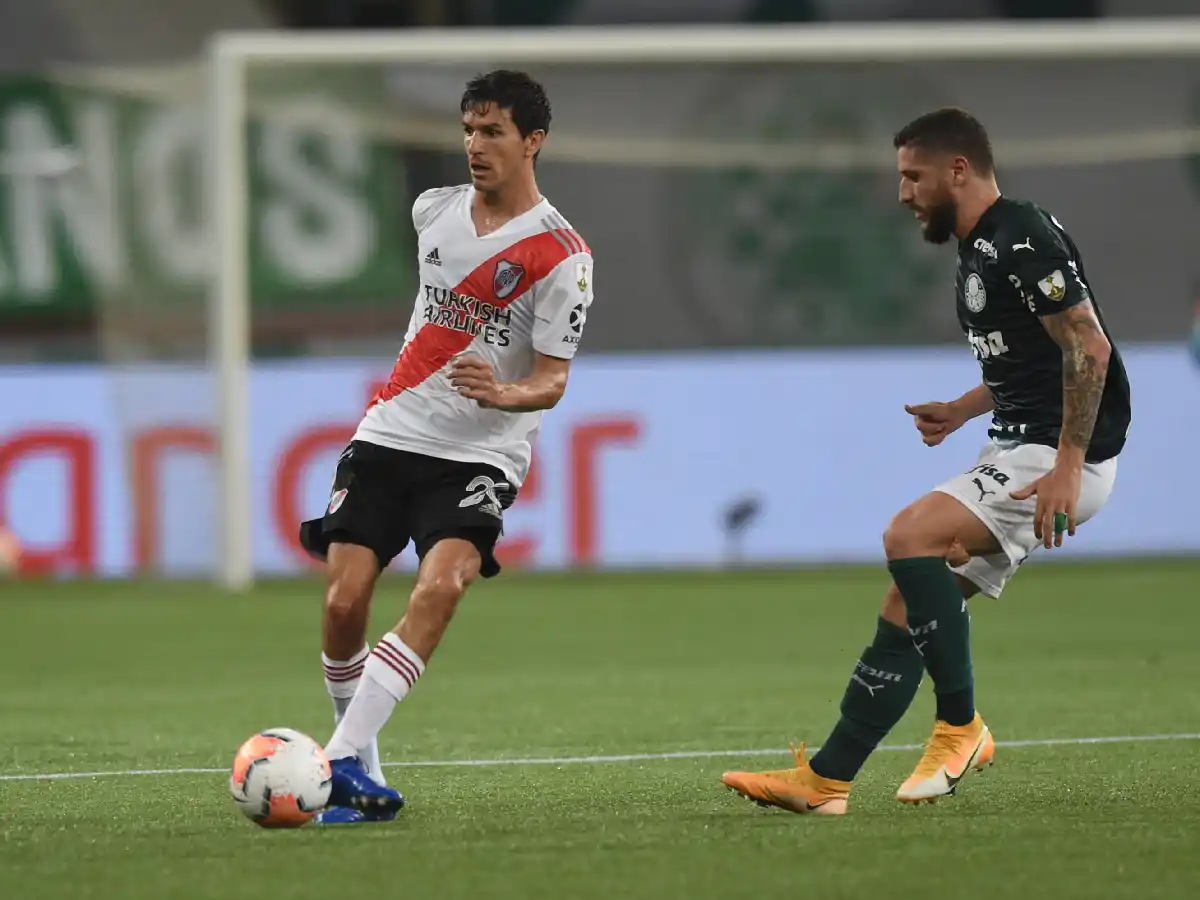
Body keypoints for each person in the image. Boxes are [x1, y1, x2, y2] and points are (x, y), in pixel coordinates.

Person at [721, 107, 1131, 815]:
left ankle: (962, 726)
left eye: (913, 176)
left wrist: (1067, 465)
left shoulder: (1021, 235)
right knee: (905, 603)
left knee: (908, 536)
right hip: (1021, 441)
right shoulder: (981, 246)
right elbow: (1029, 360)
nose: (903, 192)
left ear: (958, 170)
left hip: (1060, 456)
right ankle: (827, 781)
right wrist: (964, 409)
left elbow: (1088, 348)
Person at [298, 70, 594, 825]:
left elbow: (553, 381)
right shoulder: (434, 211)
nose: (474, 145)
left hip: (481, 455)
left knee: (442, 587)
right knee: (342, 600)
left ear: (534, 142)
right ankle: (359, 766)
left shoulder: (564, 257)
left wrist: (506, 393)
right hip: (391, 431)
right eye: (468, 129)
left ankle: (331, 761)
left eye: (492, 131)